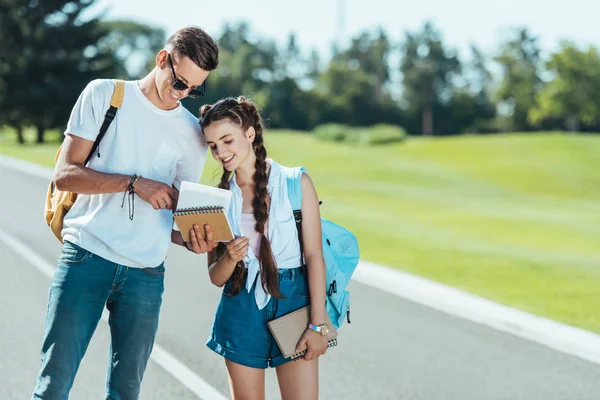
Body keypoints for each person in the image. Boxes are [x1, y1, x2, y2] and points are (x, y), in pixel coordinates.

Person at [32, 27, 219, 400]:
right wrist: (134, 183)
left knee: (126, 393)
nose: (182, 94)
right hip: (87, 256)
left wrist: (192, 239)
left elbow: (173, 214)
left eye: (194, 90)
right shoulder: (105, 94)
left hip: (146, 274)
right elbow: (66, 175)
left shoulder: (192, 135)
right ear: (162, 59)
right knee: (53, 386)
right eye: (179, 82)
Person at [201, 96, 330, 399]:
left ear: (250, 134)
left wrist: (319, 325)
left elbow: (313, 256)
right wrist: (231, 257)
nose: (220, 152)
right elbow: (216, 277)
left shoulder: (295, 182)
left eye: (226, 140)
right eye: (212, 145)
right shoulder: (216, 199)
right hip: (240, 307)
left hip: (294, 303)